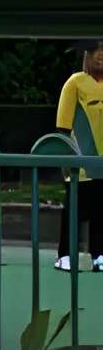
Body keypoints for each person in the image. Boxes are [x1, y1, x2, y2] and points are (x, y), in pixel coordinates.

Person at [59, 42, 103, 271]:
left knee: (101, 211)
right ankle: (65, 254)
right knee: (74, 210)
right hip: (80, 162)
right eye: (96, 51)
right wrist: (65, 157)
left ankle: (100, 254)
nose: (101, 55)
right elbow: (63, 126)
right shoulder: (74, 82)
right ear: (86, 56)